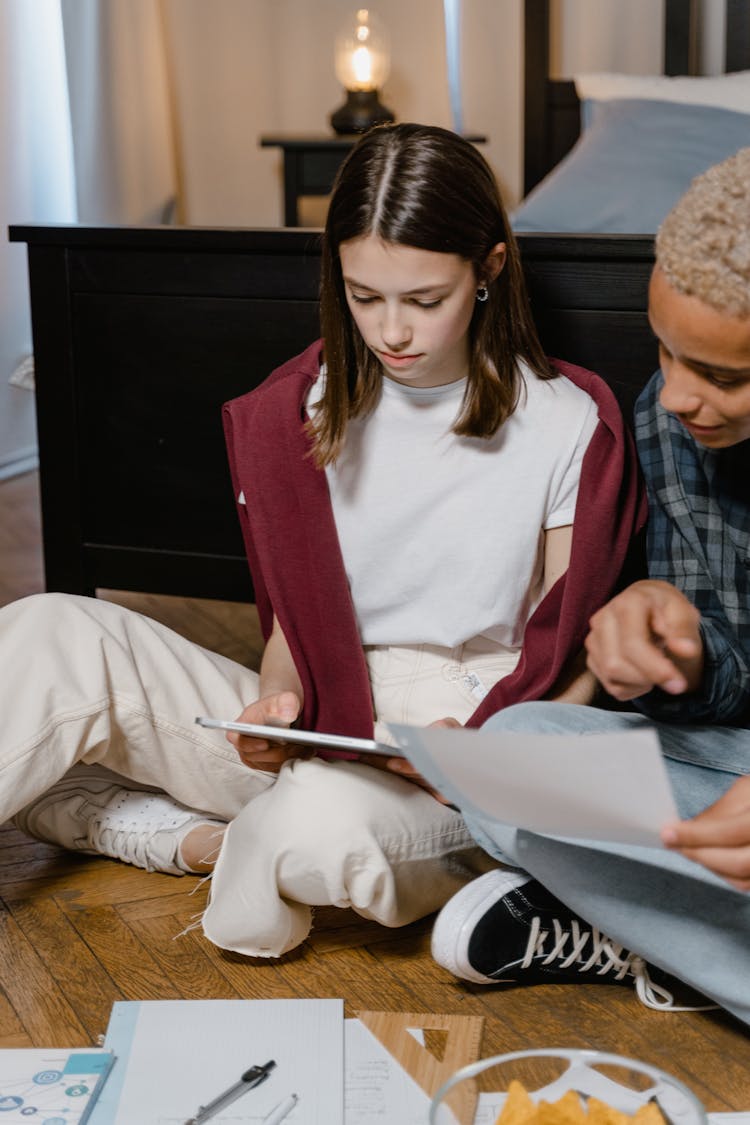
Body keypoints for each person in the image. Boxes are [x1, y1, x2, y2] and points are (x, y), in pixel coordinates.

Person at [3, 124, 641, 958]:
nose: (392, 332)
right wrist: (278, 708)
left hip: (467, 756)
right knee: (49, 634)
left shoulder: (567, 423)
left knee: (316, 829)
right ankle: (199, 831)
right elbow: (292, 631)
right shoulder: (297, 408)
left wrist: (484, 760)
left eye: (423, 299)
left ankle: (171, 835)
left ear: (488, 269)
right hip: (330, 723)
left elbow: (578, 660)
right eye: (363, 295)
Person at [430, 147, 750, 1026]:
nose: (678, 395)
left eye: (724, 375)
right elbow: (734, 680)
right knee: (513, 758)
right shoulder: (672, 420)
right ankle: (679, 937)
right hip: (732, 776)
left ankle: (654, 929)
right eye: (666, 350)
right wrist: (677, 644)